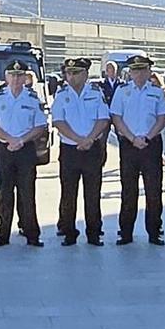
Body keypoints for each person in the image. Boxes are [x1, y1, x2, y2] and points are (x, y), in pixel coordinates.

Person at [0, 61, 47, 247]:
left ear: (25, 77)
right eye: (12, 75)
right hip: (5, 148)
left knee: (27, 192)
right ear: (6, 77)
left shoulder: (32, 98)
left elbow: (40, 125)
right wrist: (10, 139)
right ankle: (3, 233)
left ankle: (31, 233)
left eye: (19, 75)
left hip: (25, 149)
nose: (15, 79)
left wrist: (21, 140)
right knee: (4, 192)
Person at [109, 54, 165, 245]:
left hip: (151, 144)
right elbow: (116, 117)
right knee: (129, 190)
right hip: (129, 144)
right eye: (135, 70)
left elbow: (162, 118)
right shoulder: (122, 91)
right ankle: (125, 231)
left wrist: (148, 137)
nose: (139, 74)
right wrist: (132, 138)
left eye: (142, 70)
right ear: (130, 72)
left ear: (149, 71)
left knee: (154, 190)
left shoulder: (157, 92)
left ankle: (154, 231)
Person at [50, 57, 110, 246]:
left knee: (92, 193)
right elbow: (58, 121)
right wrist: (78, 139)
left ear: (85, 74)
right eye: (69, 73)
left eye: (76, 73)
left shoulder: (95, 92)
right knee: (68, 193)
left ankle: (94, 233)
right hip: (70, 149)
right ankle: (69, 232)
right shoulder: (61, 94)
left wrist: (90, 139)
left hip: (92, 149)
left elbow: (103, 118)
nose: (71, 77)